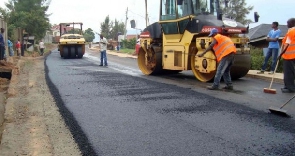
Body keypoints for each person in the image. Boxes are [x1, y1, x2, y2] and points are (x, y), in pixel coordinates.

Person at [280, 18, 295, 93]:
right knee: (290, 71)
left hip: (289, 55)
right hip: (292, 55)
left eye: (288, 23)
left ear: (292, 23)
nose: (287, 24)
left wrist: (281, 54)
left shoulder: (291, 31)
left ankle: (290, 88)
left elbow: (287, 44)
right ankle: (289, 86)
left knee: (288, 72)